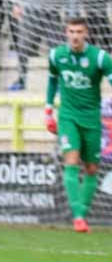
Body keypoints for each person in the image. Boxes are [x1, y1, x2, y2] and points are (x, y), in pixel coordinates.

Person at [45, 17, 112, 232]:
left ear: (86, 34)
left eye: (79, 31)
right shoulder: (56, 55)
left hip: (92, 118)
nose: (75, 35)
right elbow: (52, 81)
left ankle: (82, 213)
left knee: (91, 168)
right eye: (71, 31)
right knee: (71, 160)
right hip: (68, 116)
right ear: (66, 32)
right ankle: (78, 218)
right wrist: (48, 112)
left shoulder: (100, 58)